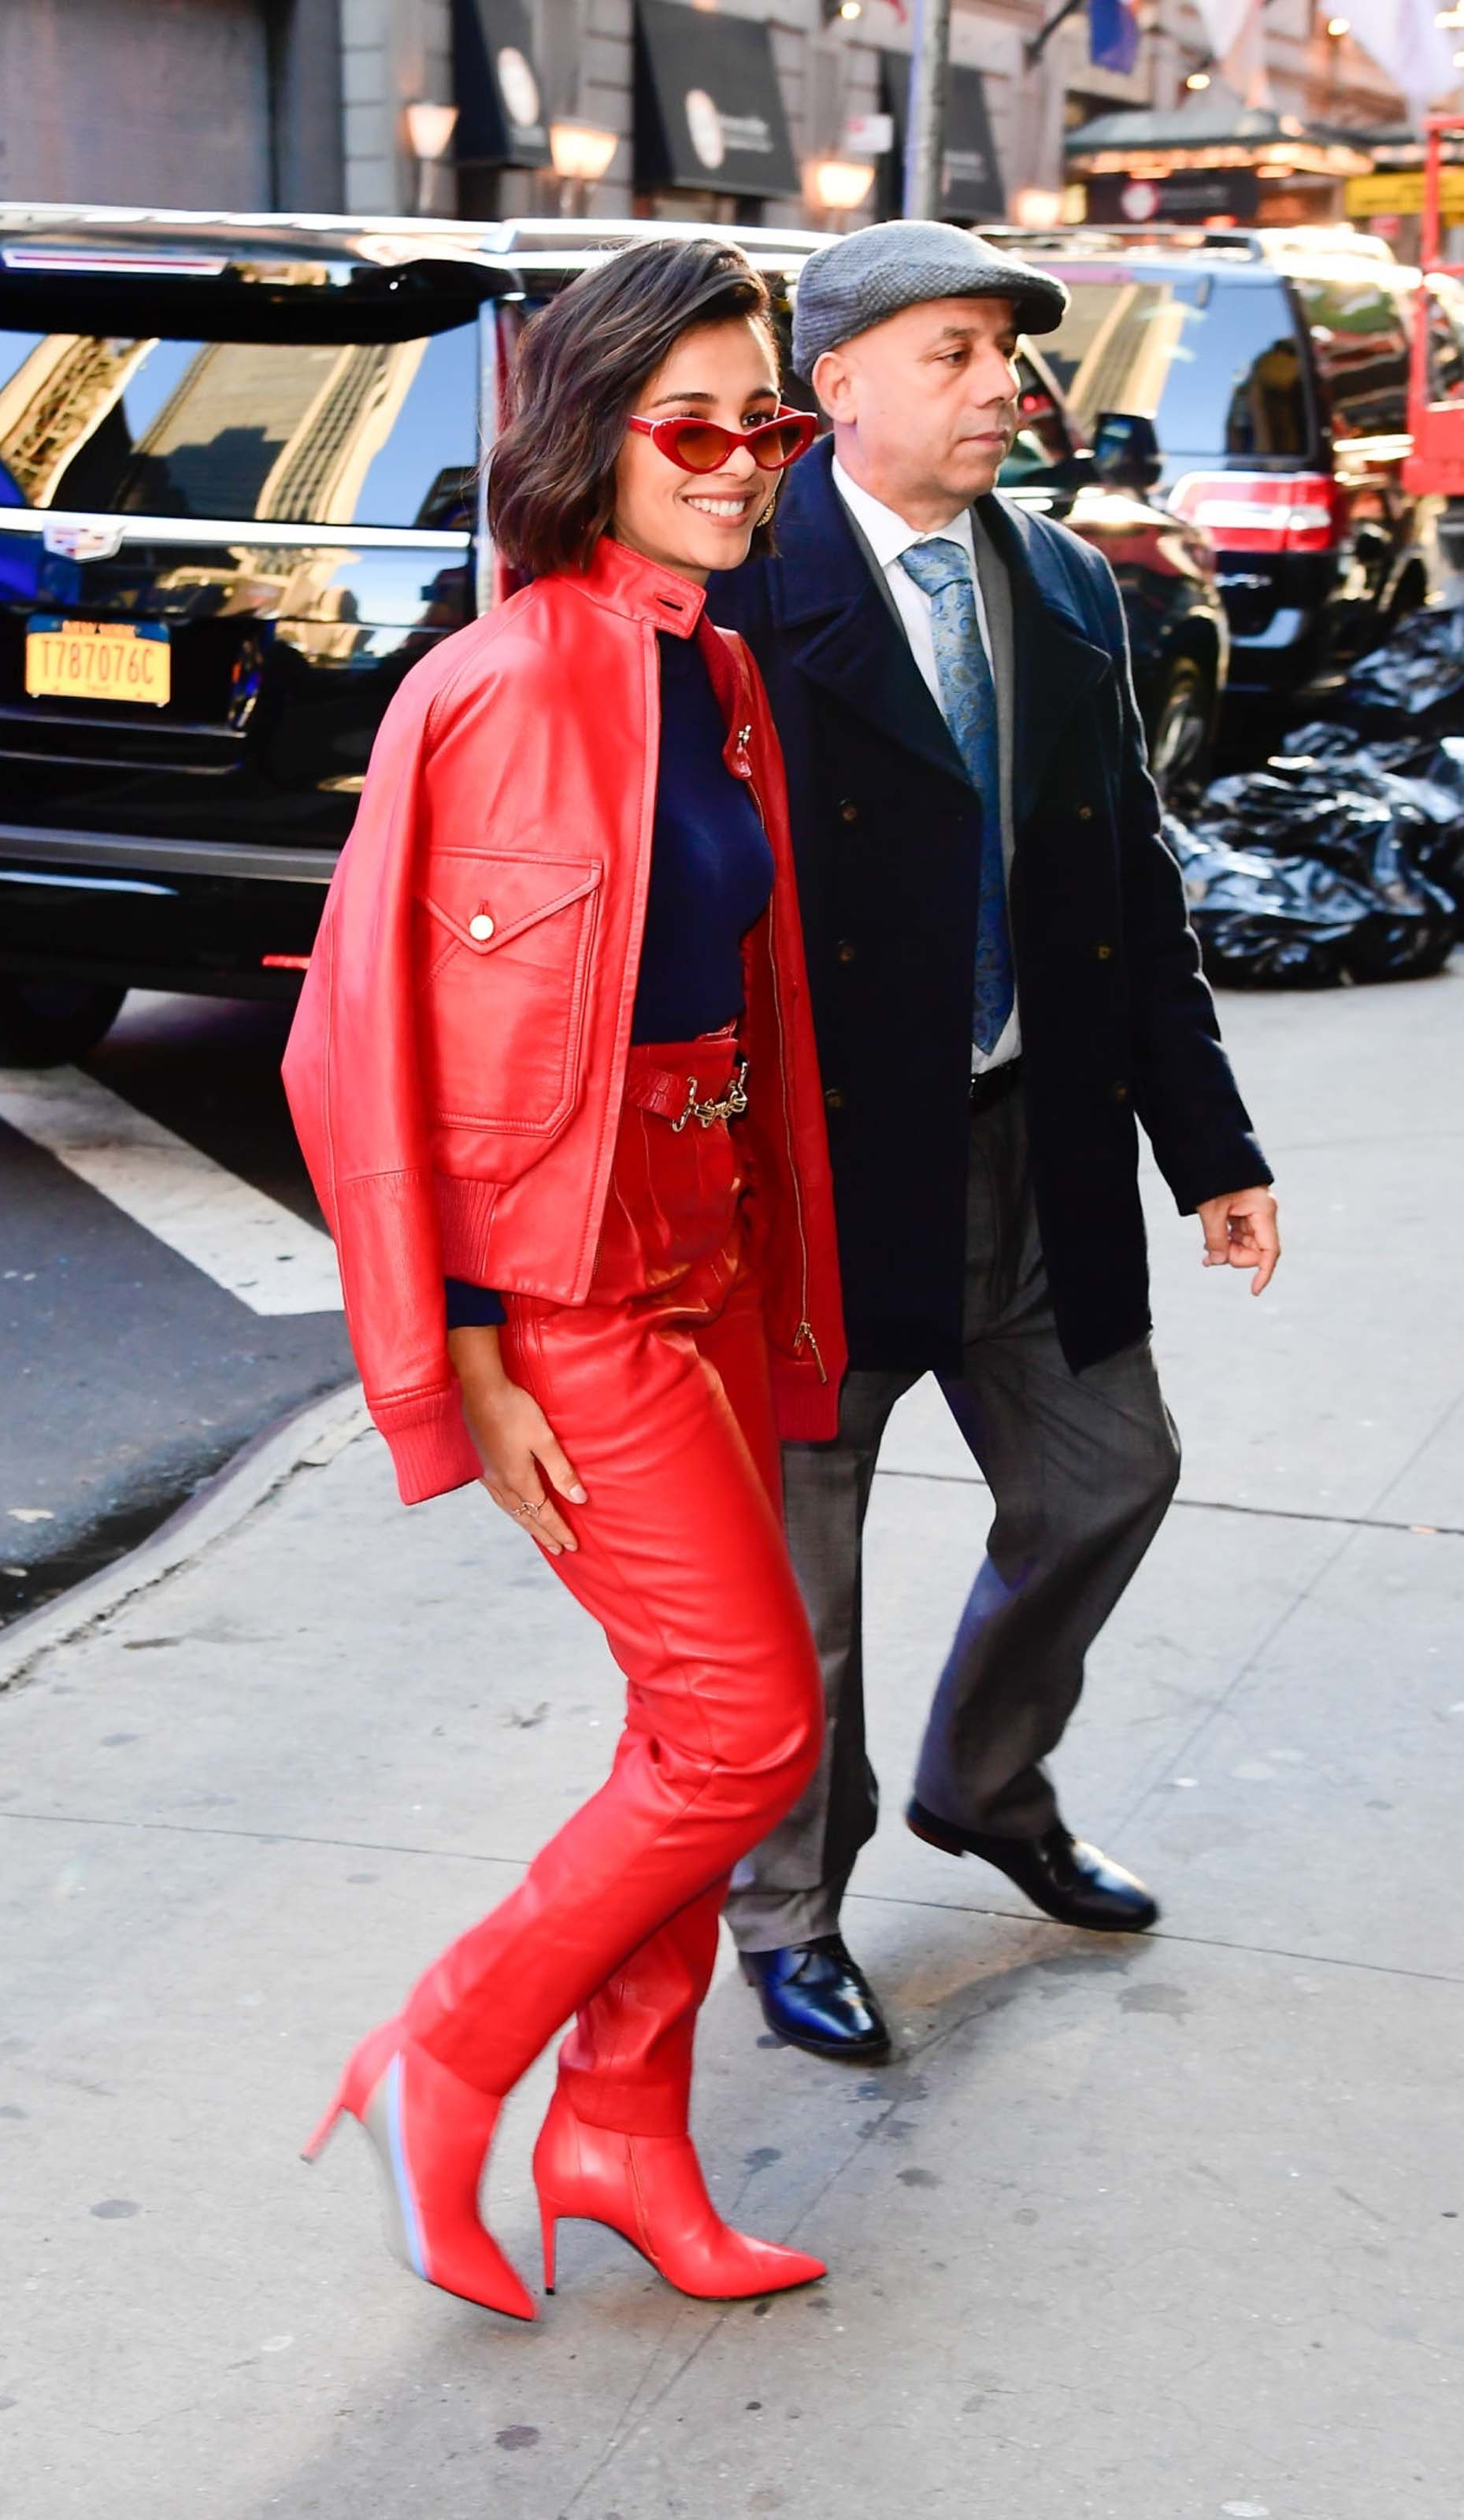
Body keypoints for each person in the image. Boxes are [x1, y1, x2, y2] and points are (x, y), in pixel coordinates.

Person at [281, 237, 846, 2317]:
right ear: (588, 428)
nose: (737, 460)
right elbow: (368, 1044)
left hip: (697, 1266)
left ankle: (620, 2134)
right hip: (576, 1299)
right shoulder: (501, 685)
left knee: (687, 1726)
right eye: (693, 421)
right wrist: (462, 1352)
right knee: (741, 1731)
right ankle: (450, 2050)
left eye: (764, 423)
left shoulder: (709, 669)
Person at [708, 222, 1281, 2063]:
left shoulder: (1056, 580)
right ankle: (788, 1908)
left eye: (1007, 355)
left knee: (1106, 1472)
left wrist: (1209, 1149)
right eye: (950, 352)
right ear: (837, 385)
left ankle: (984, 1782)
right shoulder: (727, 597)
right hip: (808, 1173)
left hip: (1035, 1148)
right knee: (803, 1576)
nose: (999, 388)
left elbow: (1128, 880)